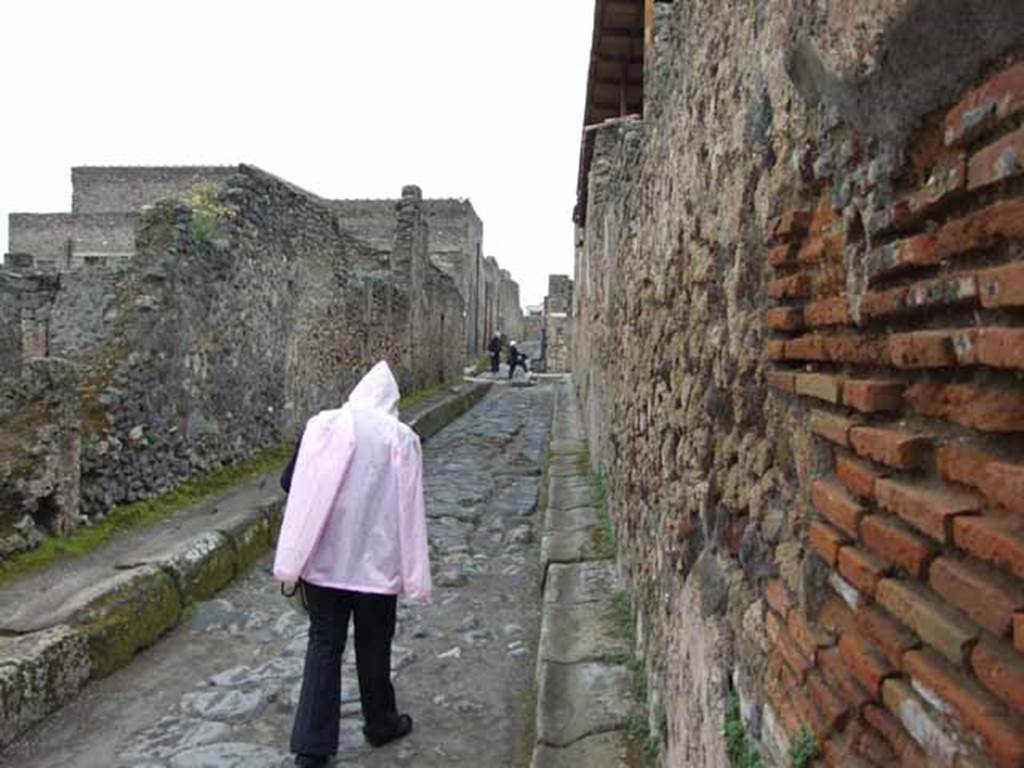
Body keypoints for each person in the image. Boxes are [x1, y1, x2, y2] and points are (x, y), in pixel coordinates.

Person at [274, 361, 432, 767]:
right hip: (376, 565)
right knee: (374, 642)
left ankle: (311, 748)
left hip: (325, 561)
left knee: (324, 643)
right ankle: (381, 723)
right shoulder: (401, 438)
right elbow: (409, 508)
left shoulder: (323, 426)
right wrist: (413, 571)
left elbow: (289, 482)